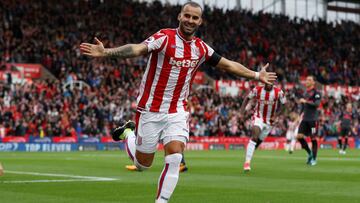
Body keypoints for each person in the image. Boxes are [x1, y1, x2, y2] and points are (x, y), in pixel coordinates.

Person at [80, 2, 276, 202]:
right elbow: (137, 49)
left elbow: (228, 65)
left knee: (174, 157)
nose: (190, 20)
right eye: (187, 16)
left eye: (195, 17)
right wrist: (106, 52)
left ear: (200, 21)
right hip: (150, 109)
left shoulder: (201, 48)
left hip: (177, 111)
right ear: (179, 16)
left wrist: (255, 75)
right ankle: (129, 133)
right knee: (143, 164)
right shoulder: (164, 37)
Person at [240, 83, 286, 171]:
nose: (269, 84)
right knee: (254, 136)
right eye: (267, 82)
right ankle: (247, 163)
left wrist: (276, 115)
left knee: (258, 141)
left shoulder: (279, 92)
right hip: (258, 117)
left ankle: (250, 152)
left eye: (271, 83)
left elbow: (284, 105)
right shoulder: (257, 89)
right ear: (264, 81)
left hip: (270, 121)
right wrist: (242, 111)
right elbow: (247, 98)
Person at [296, 75, 321, 166]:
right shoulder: (306, 93)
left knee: (313, 139)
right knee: (299, 136)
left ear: (313, 82)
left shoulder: (317, 92)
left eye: (309, 80)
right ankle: (310, 153)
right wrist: (299, 115)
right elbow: (304, 106)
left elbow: (317, 104)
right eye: (306, 79)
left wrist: (305, 102)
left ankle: (314, 159)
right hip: (305, 118)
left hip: (313, 119)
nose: (307, 81)